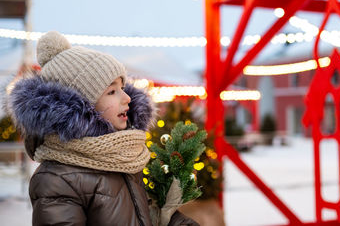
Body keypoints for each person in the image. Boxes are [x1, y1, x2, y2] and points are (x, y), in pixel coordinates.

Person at [6, 31, 198, 226]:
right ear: (82, 106)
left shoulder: (123, 159)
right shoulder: (57, 180)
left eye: (123, 88)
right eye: (112, 91)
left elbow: (142, 213)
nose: (127, 98)